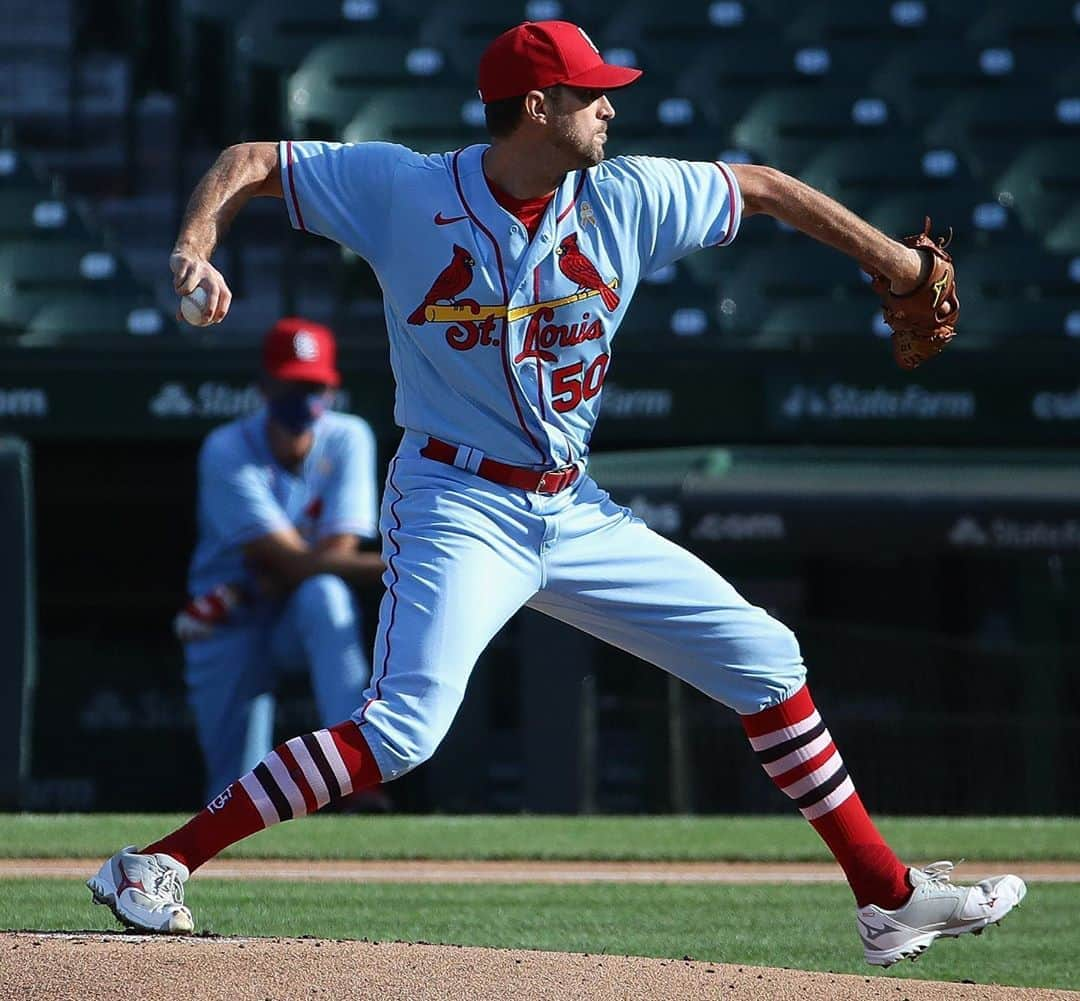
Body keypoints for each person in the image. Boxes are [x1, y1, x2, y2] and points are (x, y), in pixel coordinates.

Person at [88, 20, 1024, 967]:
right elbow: (252, 158)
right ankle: (154, 864)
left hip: (572, 508)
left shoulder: (627, 195)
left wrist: (896, 264)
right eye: (592, 92)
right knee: (406, 729)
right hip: (457, 498)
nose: (612, 105)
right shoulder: (406, 191)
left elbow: (765, 187)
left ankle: (888, 897)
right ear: (538, 108)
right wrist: (192, 247)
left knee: (766, 658)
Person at [173, 316, 384, 801]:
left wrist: (264, 584)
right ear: (265, 387)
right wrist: (389, 566)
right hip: (230, 623)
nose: (304, 398)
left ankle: (356, 780)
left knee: (326, 595)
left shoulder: (348, 436)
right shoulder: (227, 448)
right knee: (233, 790)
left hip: (273, 608)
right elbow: (289, 560)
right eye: (292, 384)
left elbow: (335, 553)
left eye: (314, 386)